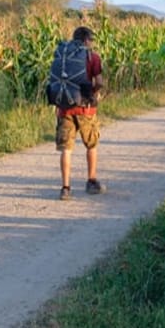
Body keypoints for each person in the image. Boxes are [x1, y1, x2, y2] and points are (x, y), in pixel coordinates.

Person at [56, 26, 105, 200]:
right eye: (90, 40)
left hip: (64, 107)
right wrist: (94, 92)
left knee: (66, 149)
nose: (91, 43)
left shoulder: (62, 57)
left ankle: (65, 188)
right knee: (91, 145)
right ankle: (91, 182)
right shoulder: (93, 57)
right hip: (86, 109)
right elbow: (99, 81)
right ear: (85, 40)